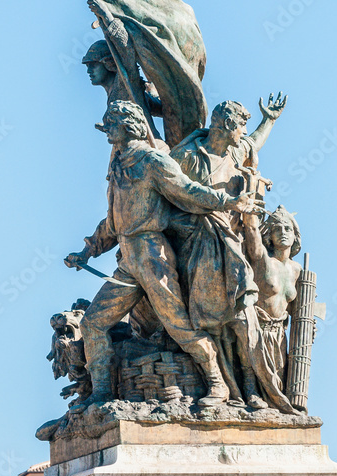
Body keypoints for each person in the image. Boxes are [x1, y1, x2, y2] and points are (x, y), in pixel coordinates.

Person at [64, 101, 264, 407]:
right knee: (92, 324)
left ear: (130, 125)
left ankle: (217, 383)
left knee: (179, 326)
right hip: (129, 262)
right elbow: (114, 219)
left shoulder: (153, 160)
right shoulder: (118, 164)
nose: (107, 130)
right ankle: (102, 392)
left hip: (153, 257)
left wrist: (229, 202)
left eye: (112, 123)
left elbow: (189, 191)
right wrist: (87, 251)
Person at [168, 97, 296, 413]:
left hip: (229, 243)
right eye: (241, 125)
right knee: (212, 321)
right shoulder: (185, 156)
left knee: (241, 315)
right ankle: (227, 387)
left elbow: (255, 142)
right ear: (227, 124)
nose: (243, 133)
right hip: (196, 242)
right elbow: (168, 191)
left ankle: (254, 390)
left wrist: (270, 120)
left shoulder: (233, 151)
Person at [241, 206, 302, 411]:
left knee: (279, 385)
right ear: (270, 235)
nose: (283, 233)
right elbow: (255, 247)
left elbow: (297, 309)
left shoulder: (297, 270)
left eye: (288, 229)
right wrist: (250, 219)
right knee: (256, 380)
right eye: (277, 229)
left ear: (295, 236)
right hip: (257, 330)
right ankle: (250, 394)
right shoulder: (263, 261)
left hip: (279, 335)